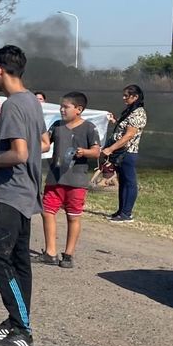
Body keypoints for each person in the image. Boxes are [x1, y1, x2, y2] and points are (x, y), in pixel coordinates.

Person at [0, 45, 45, 346]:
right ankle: (17, 321)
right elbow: (43, 143)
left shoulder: (12, 106)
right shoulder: (32, 100)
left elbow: (19, 152)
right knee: (20, 262)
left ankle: (22, 331)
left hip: (11, 193)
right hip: (28, 193)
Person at [35, 91, 101, 268]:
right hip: (55, 179)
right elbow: (45, 144)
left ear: (78, 109)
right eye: (61, 106)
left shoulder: (89, 128)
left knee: (73, 217)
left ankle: (69, 254)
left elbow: (96, 151)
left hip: (76, 181)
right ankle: (50, 252)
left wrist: (84, 152)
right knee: (47, 212)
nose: (62, 109)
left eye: (66, 107)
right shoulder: (56, 126)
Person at [103, 84, 146, 223]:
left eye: (126, 96)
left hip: (128, 152)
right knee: (123, 182)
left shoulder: (138, 113)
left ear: (135, 97)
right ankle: (121, 211)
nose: (124, 98)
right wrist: (113, 121)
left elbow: (128, 135)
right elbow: (122, 129)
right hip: (121, 153)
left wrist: (110, 149)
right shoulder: (129, 111)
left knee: (129, 182)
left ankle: (127, 213)